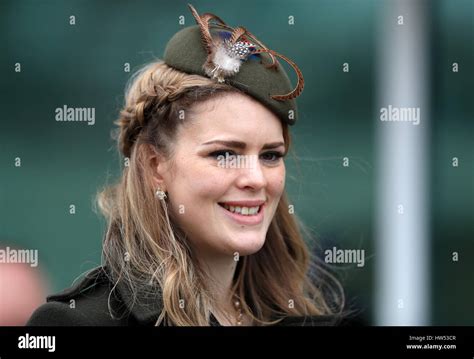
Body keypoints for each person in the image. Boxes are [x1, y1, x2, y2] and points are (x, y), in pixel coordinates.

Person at [28, 4, 344, 326]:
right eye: (224, 154)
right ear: (155, 166)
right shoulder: (76, 323)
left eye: (270, 156)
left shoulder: (303, 318)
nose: (256, 179)